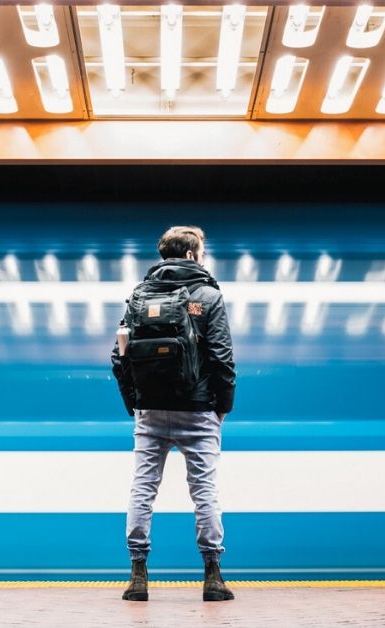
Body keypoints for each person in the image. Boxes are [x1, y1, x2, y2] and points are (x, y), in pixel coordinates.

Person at [111, 225, 237, 603]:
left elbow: (119, 355)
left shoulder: (137, 295)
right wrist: (222, 408)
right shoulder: (209, 296)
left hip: (149, 410)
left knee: (143, 488)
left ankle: (137, 575)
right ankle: (213, 576)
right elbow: (222, 358)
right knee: (204, 491)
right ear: (190, 255)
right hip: (198, 411)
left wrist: (133, 402)